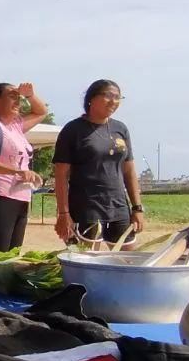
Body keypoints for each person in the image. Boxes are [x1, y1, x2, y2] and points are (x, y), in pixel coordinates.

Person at [53, 79, 145, 247]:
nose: (114, 101)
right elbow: (61, 175)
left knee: (128, 263)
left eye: (118, 97)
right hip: (85, 208)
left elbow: (129, 171)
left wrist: (137, 208)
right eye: (108, 96)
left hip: (118, 206)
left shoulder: (121, 129)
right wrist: (63, 213)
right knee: (88, 263)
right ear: (91, 99)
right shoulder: (73, 130)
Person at [0, 82, 50, 251]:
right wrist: (17, 171)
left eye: (19, 98)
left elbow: (41, 112)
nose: (18, 102)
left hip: (21, 197)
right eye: (12, 97)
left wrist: (30, 96)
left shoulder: (16, 126)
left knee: (12, 254)